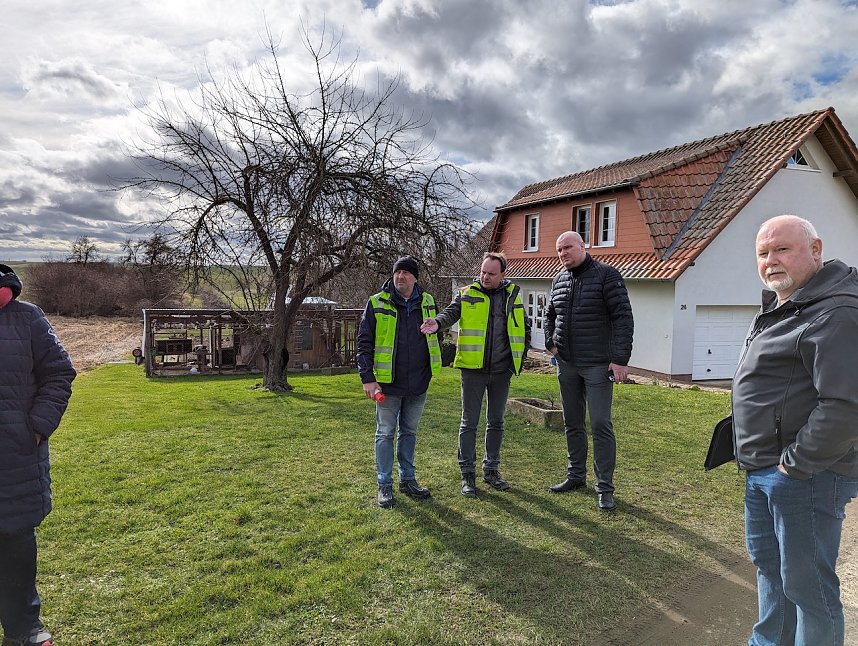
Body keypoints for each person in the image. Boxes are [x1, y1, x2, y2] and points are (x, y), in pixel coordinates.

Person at [733, 215, 858, 646]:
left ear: (816, 249)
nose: (771, 261)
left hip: (806, 475)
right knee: (770, 569)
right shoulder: (785, 304)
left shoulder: (838, 310)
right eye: (763, 253)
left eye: (782, 249)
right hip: (765, 469)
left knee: (809, 588)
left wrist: (795, 467)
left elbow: (845, 406)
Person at [0, 264, 75, 646]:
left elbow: (60, 372)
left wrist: (37, 426)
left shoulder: (27, 318)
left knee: (14, 541)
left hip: (13, 457)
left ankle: (23, 629)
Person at [421, 252, 530, 497]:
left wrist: (519, 359)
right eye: (483, 272)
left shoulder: (513, 294)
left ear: (503, 274)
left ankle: (491, 471)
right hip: (473, 371)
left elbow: (523, 327)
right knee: (469, 422)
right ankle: (467, 475)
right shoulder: (467, 293)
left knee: (496, 422)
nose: (485, 277)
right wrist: (437, 323)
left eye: (491, 273)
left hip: (502, 371)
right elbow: (450, 313)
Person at [545, 232, 633, 511]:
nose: (563, 253)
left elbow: (623, 317)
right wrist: (550, 343)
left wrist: (620, 358)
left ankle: (604, 487)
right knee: (572, 422)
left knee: (599, 424)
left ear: (583, 246)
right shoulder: (558, 279)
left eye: (568, 247)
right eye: (559, 250)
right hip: (567, 364)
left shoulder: (606, 275)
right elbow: (549, 315)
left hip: (597, 364)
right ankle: (575, 476)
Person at [356, 256, 441, 508]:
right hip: (387, 385)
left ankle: (408, 480)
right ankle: (384, 485)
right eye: (397, 272)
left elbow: (436, 335)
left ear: (415, 278)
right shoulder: (377, 302)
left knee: (409, 433)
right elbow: (363, 344)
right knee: (384, 434)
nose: (400, 276)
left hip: (418, 383)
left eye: (406, 273)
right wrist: (368, 378)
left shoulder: (428, 302)